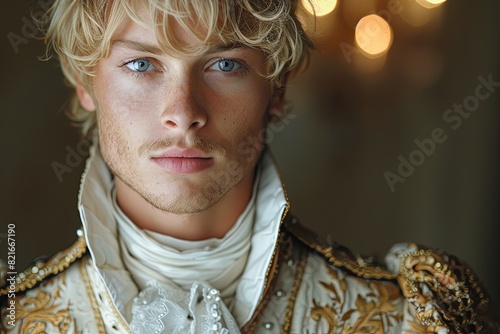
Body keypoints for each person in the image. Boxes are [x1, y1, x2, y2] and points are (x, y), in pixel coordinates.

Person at [0, 0, 498, 333]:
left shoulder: (406, 318)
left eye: (224, 65)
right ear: (87, 85)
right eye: (141, 64)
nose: (184, 112)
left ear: (276, 90)